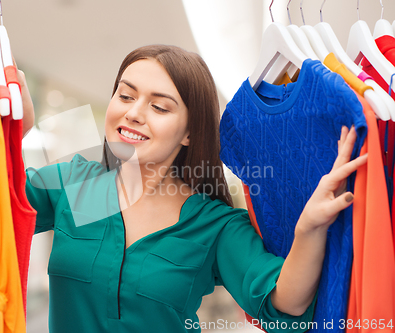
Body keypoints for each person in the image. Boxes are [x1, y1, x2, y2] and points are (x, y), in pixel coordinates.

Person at [18, 45, 367, 332]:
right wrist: (14, 134)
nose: (134, 113)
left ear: (189, 133)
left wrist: (309, 228)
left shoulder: (212, 223)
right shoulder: (77, 183)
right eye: (125, 96)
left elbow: (284, 303)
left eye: (159, 106)